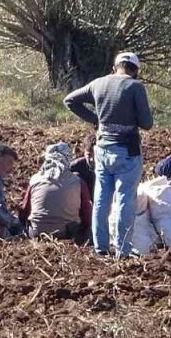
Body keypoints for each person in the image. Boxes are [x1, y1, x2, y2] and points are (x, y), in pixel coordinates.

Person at [63, 52, 154, 257]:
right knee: (124, 200)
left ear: (115, 67)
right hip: (127, 152)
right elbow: (147, 123)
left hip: (102, 150)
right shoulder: (135, 87)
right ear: (135, 71)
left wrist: (96, 120)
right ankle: (122, 249)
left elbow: (70, 100)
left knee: (102, 199)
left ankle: (100, 247)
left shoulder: (98, 84)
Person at [18, 143, 92, 242]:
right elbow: (86, 213)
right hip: (67, 234)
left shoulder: (35, 179)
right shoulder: (78, 181)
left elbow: (25, 209)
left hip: (36, 233)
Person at [70, 133, 96, 199]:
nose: (92, 159)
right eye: (89, 155)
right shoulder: (76, 166)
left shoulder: (107, 167)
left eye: (95, 155)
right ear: (84, 152)